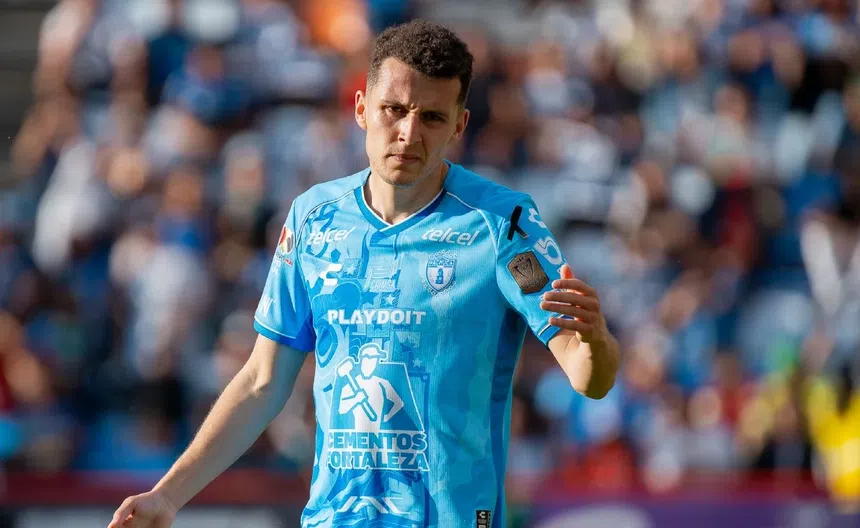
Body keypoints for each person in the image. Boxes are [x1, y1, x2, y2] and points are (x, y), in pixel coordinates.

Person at [109, 20, 620, 528]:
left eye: (432, 117)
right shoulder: (313, 219)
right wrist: (167, 496)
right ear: (361, 109)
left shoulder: (503, 223)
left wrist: (595, 341)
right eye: (393, 110)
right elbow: (262, 382)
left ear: (459, 126)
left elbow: (587, 377)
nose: (409, 133)